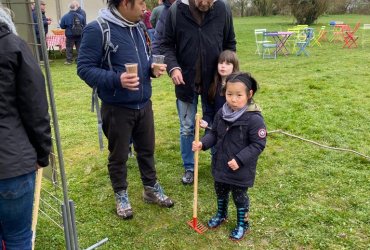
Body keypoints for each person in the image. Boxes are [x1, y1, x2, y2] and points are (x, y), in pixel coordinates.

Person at [77, 0, 174, 220]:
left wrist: (151, 67)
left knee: (147, 150)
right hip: (117, 107)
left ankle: (150, 189)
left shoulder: (139, 27)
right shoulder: (98, 29)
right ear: (123, 3)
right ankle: (121, 194)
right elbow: (84, 68)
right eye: (140, 2)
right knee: (119, 155)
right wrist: (116, 79)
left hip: (143, 103)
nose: (145, 8)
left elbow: (143, 60)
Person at [162, 0, 236, 184]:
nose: (207, 3)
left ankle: (217, 162)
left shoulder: (223, 9)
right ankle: (189, 167)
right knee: (187, 127)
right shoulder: (176, 11)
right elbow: (166, 45)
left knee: (217, 124)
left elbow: (229, 43)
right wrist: (173, 67)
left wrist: (227, 71)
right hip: (186, 82)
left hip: (215, 83)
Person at [192, 72, 267, 241]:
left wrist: (239, 160)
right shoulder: (222, 113)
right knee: (220, 191)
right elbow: (213, 133)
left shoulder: (254, 119)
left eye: (239, 95)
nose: (233, 99)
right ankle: (221, 214)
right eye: (229, 94)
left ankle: (243, 223)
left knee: (239, 196)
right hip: (221, 163)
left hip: (240, 169)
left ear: (249, 94)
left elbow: (258, 144)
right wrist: (203, 144)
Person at [0, 5, 52, 249]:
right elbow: (36, 109)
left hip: (11, 159)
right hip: (12, 165)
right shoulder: (14, 46)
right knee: (18, 235)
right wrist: (42, 154)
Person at [201, 50, 240, 130]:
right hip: (215, 126)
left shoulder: (239, 86)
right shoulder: (213, 86)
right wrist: (206, 121)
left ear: (234, 67)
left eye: (227, 64)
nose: (223, 66)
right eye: (221, 63)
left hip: (234, 127)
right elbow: (209, 111)